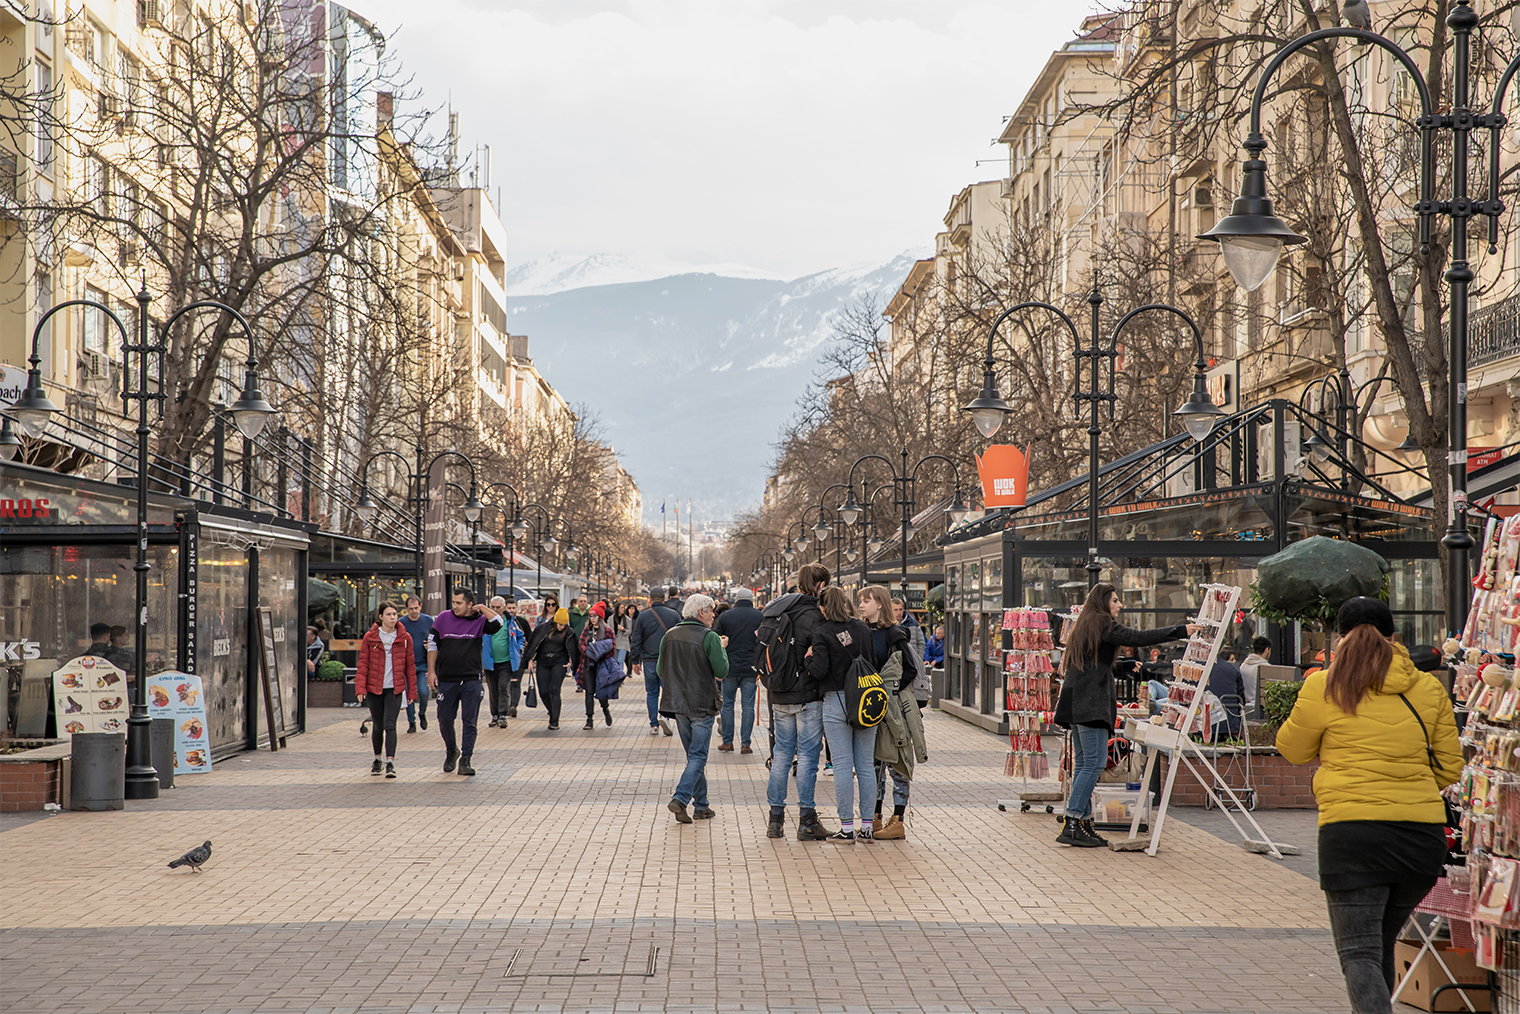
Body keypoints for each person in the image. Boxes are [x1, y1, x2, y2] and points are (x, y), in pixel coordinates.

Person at [1277, 597, 1460, 1014]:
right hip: (1420, 839)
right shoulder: (1428, 687)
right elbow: (1450, 768)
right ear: (1394, 637)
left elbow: (1292, 749)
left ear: (1340, 639)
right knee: (1378, 948)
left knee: (1358, 954)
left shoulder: (1323, 685)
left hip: (1351, 835)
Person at [1054, 583, 1199, 848]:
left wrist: (1122, 666)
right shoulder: (1102, 623)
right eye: (1116, 600)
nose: (1120, 605)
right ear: (1103, 602)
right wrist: (1180, 631)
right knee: (1093, 764)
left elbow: (1092, 666)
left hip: (1078, 704)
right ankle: (1073, 820)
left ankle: (1082, 822)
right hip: (1090, 706)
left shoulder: (1087, 625)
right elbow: (1138, 637)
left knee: (1085, 764)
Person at [762, 563, 831, 841]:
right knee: (807, 758)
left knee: (781, 756)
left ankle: (775, 820)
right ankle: (806, 820)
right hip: (807, 695)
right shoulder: (817, 614)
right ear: (822, 585)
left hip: (778, 693)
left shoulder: (777, 609)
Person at [808, 586, 879, 843]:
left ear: (825, 607)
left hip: (837, 701)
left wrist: (807, 659)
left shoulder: (822, 631)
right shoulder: (862, 628)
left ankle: (847, 828)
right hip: (865, 701)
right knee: (865, 765)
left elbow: (819, 669)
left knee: (841, 766)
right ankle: (868, 826)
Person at [657, 593, 728, 823]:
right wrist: (722, 647)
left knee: (693, 756)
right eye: (711, 611)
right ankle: (680, 798)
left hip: (678, 704)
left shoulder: (669, 635)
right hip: (701, 703)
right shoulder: (709, 637)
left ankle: (702, 805)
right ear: (701, 613)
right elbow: (722, 671)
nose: (713, 616)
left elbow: (660, 670)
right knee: (698, 756)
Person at [425, 588, 501, 776]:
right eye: (453, 602)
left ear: (469, 604)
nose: (455, 606)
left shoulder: (480, 621)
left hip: (471, 680)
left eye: (459, 603)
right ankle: (452, 750)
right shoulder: (443, 618)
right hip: (447, 679)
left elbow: (498, 622)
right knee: (444, 719)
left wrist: (482, 608)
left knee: (470, 721)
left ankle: (466, 759)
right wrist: (431, 671)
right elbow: (433, 645)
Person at [866, 586, 922, 840]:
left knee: (897, 761)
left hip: (893, 709)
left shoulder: (894, 634)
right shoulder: (863, 631)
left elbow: (910, 668)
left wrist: (893, 687)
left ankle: (898, 818)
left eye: (866, 600)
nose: (861, 605)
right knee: (874, 762)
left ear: (880, 604)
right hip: (870, 707)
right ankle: (875, 817)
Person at [355, 601, 415, 778]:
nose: (392, 617)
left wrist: (412, 692)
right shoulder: (370, 637)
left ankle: (390, 762)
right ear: (380, 617)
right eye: (388, 614)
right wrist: (360, 688)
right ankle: (377, 759)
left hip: (394, 689)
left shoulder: (404, 638)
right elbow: (363, 664)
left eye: (395, 614)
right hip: (374, 688)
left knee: (390, 724)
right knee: (377, 725)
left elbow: (410, 667)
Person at [715, 588, 763, 753]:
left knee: (727, 705)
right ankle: (745, 744)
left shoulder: (726, 616)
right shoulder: (759, 616)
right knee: (748, 706)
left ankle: (727, 742)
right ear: (751, 600)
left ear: (736, 600)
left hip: (729, 667)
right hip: (751, 667)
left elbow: (717, 639)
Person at [629, 588, 682, 736]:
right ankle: (665, 716)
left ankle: (654, 725)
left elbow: (636, 638)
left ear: (650, 598)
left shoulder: (643, 616)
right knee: (668, 691)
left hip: (649, 660)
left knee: (652, 692)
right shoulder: (674, 615)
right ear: (664, 598)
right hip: (668, 660)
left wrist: (635, 660)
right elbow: (680, 638)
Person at [522, 607, 580, 730]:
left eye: (564, 625)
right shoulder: (542, 629)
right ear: (555, 621)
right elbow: (533, 644)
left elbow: (574, 649)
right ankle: (552, 711)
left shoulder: (569, 632)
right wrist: (530, 660)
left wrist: (571, 663)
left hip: (559, 662)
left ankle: (555, 720)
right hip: (543, 661)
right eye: (559, 624)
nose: (561, 627)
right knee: (543, 691)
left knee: (554, 689)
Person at [488, 597, 531, 727]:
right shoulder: (485, 621)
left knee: (503, 687)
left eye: (498, 607)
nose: (495, 610)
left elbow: (521, 637)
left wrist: (517, 649)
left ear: (503, 607)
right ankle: (494, 715)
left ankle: (502, 714)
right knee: (493, 689)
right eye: (493, 607)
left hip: (506, 661)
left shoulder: (511, 622)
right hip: (489, 661)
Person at [577, 601, 616, 730]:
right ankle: (589, 719)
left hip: (601, 666)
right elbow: (581, 645)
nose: (592, 619)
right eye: (591, 616)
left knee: (601, 693)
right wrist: (588, 651)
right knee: (589, 692)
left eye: (594, 616)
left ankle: (605, 710)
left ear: (600, 617)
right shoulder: (587, 630)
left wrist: (600, 653)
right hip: (588, 665)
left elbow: (613, 648)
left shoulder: (608, 631)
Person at [399, 597, 433, 733]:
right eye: (411, 609)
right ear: (407, 609)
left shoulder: (428, 621)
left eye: (416, 608)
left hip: (423, 664)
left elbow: (435, 639)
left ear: (420, 606)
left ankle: (422, 713)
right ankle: (411, 722)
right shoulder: (401, 623)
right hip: (406, 665)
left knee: (423, 692)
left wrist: (429, 647)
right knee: (408, 695)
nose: (414, 611)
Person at [1206, 652, 1247, 740]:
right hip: (1230, 724)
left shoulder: (1194, 669)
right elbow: (1241, 699)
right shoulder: (1231, 668)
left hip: (1204, 725)